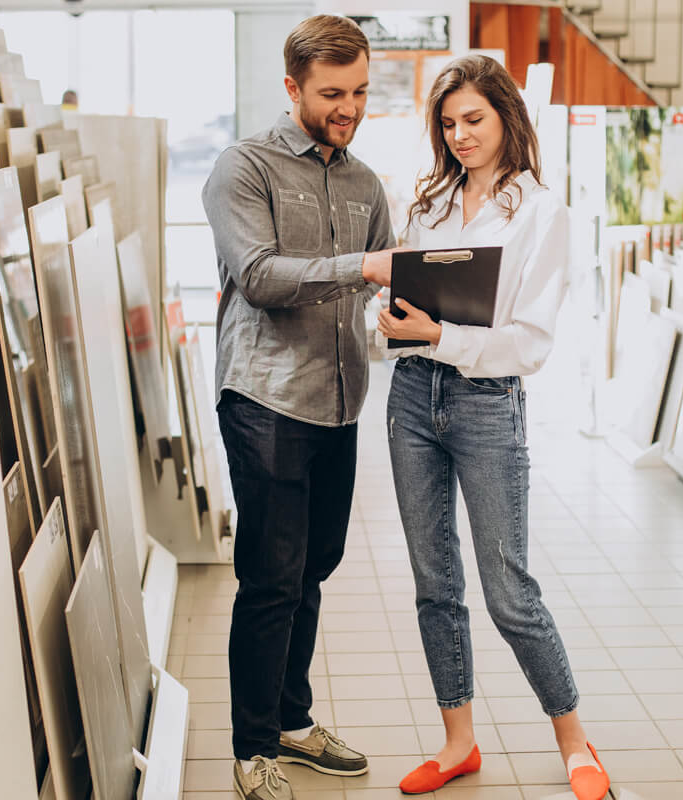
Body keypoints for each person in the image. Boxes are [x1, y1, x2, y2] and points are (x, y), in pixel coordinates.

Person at [376, 55, 611, 800]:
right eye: (448, 124)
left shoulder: (545, 215)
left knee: (508, 588)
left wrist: (442, 336)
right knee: (434, 583)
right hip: (412, 394)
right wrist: (391, 320)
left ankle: (576, 741)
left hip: (485, 403)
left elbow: (528, 344)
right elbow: (405, 300)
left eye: (473, 119)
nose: (460, 135)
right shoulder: (430, 202)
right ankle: (458, 743)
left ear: (509, 116)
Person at [202, 15, 397, 800]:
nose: (347, 107)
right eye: (331, 94)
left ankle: (290, 718)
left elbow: (386, 280)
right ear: (292, 88)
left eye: (357, 91)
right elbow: (259, 275)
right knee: (271, 578)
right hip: (268, 401)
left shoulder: (365, 183)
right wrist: (365, 266)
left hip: (339, 401)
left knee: (314, 567)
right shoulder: (242, 167)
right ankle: (253, 749)